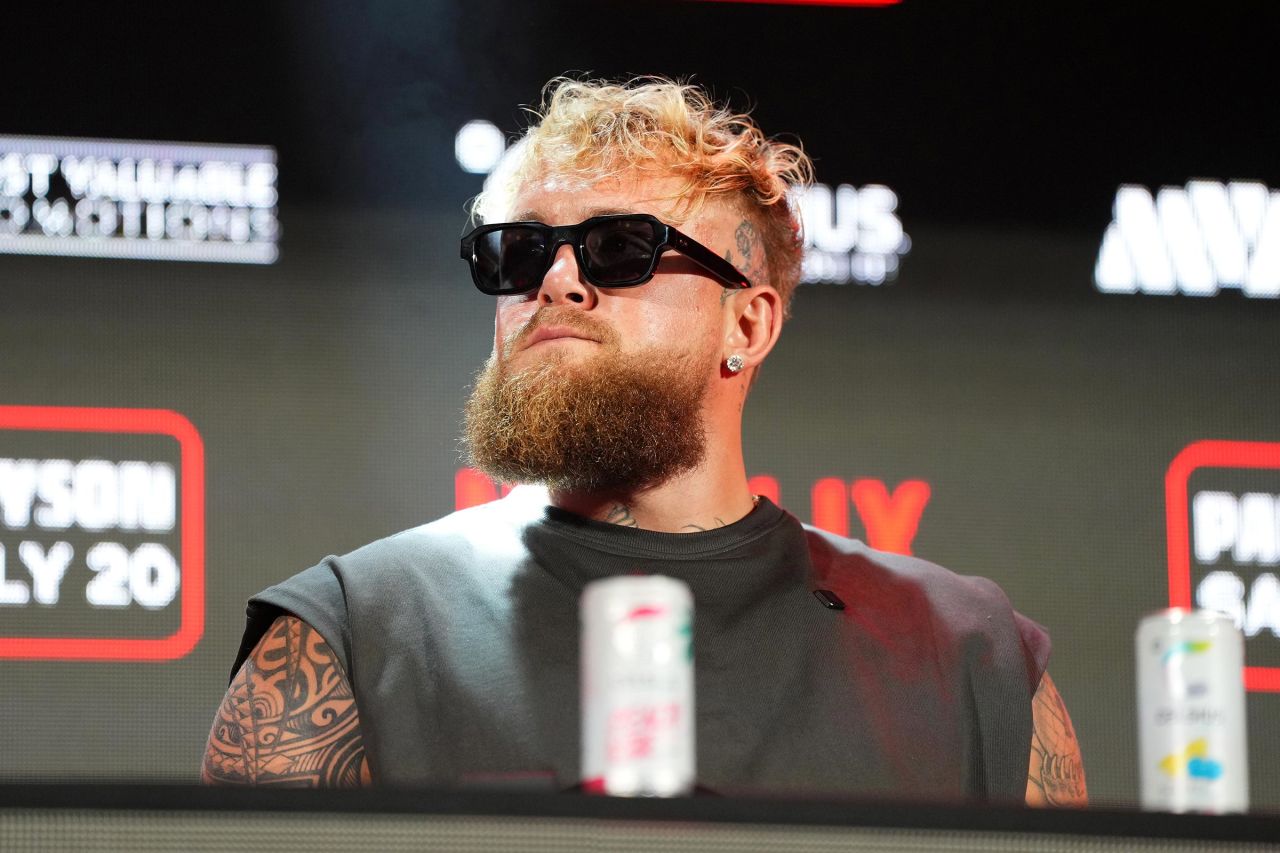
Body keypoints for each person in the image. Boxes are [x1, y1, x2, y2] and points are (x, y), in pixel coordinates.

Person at [202, 76, 1087, 805]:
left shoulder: (973, 658)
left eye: (618, 248)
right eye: (517, 252)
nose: (555, 282)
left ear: (748, 322)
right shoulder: (350, 634)